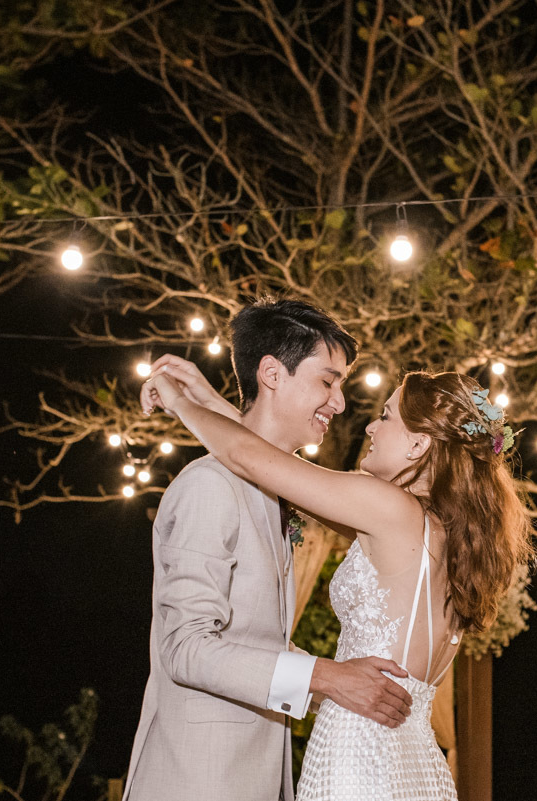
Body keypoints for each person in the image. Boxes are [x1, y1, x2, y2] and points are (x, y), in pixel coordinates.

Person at [142, 356, 535, 801]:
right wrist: (210, 401)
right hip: (416, 764)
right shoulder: (441, 535)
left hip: (360, 751)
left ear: (418, 445)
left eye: (385, 417)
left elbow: (248, 459)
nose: (370, 428)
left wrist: (178, 401)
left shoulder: (387, 508)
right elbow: (276, 468)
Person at [122, 299, 414, 801]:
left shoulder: (274, 494)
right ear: (273, 373)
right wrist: (327, 676)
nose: (340, 403)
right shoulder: (209, 487)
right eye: (328, 381)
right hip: (195, 784)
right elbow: (185, 648)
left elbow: (254, 642)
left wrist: (335, 682)